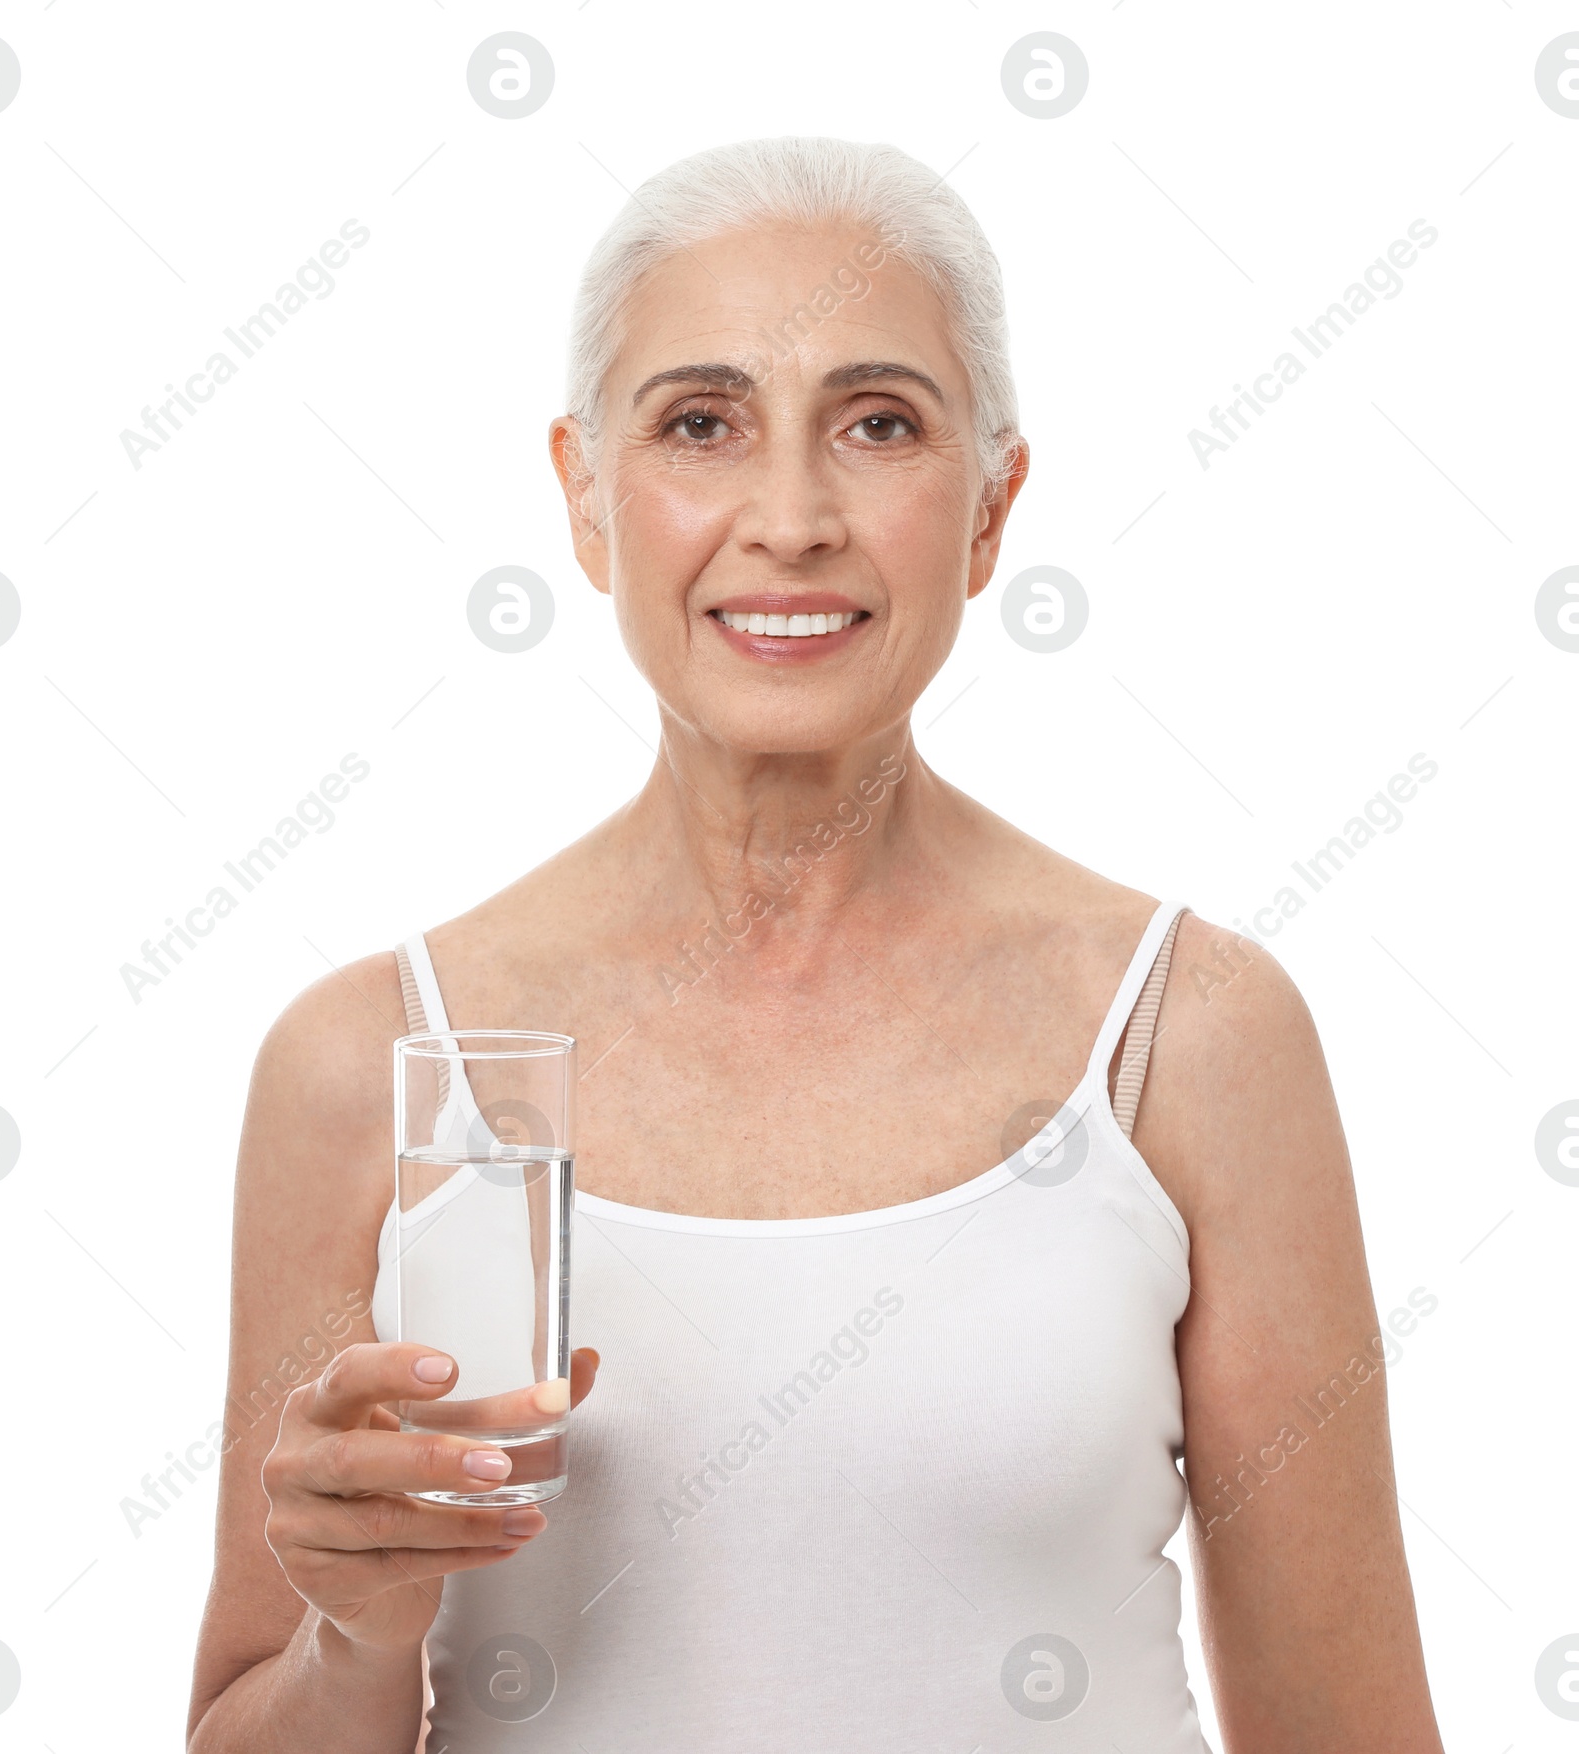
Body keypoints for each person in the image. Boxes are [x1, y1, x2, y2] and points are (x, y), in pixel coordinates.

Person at [187, 137, 1444, 1752]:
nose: (789, 518)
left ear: (992, 510)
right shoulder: (367, 1064)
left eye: (879, 424)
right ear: (584, 495)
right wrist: (359, 1635)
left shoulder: (1187, 1035)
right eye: (701, 424)